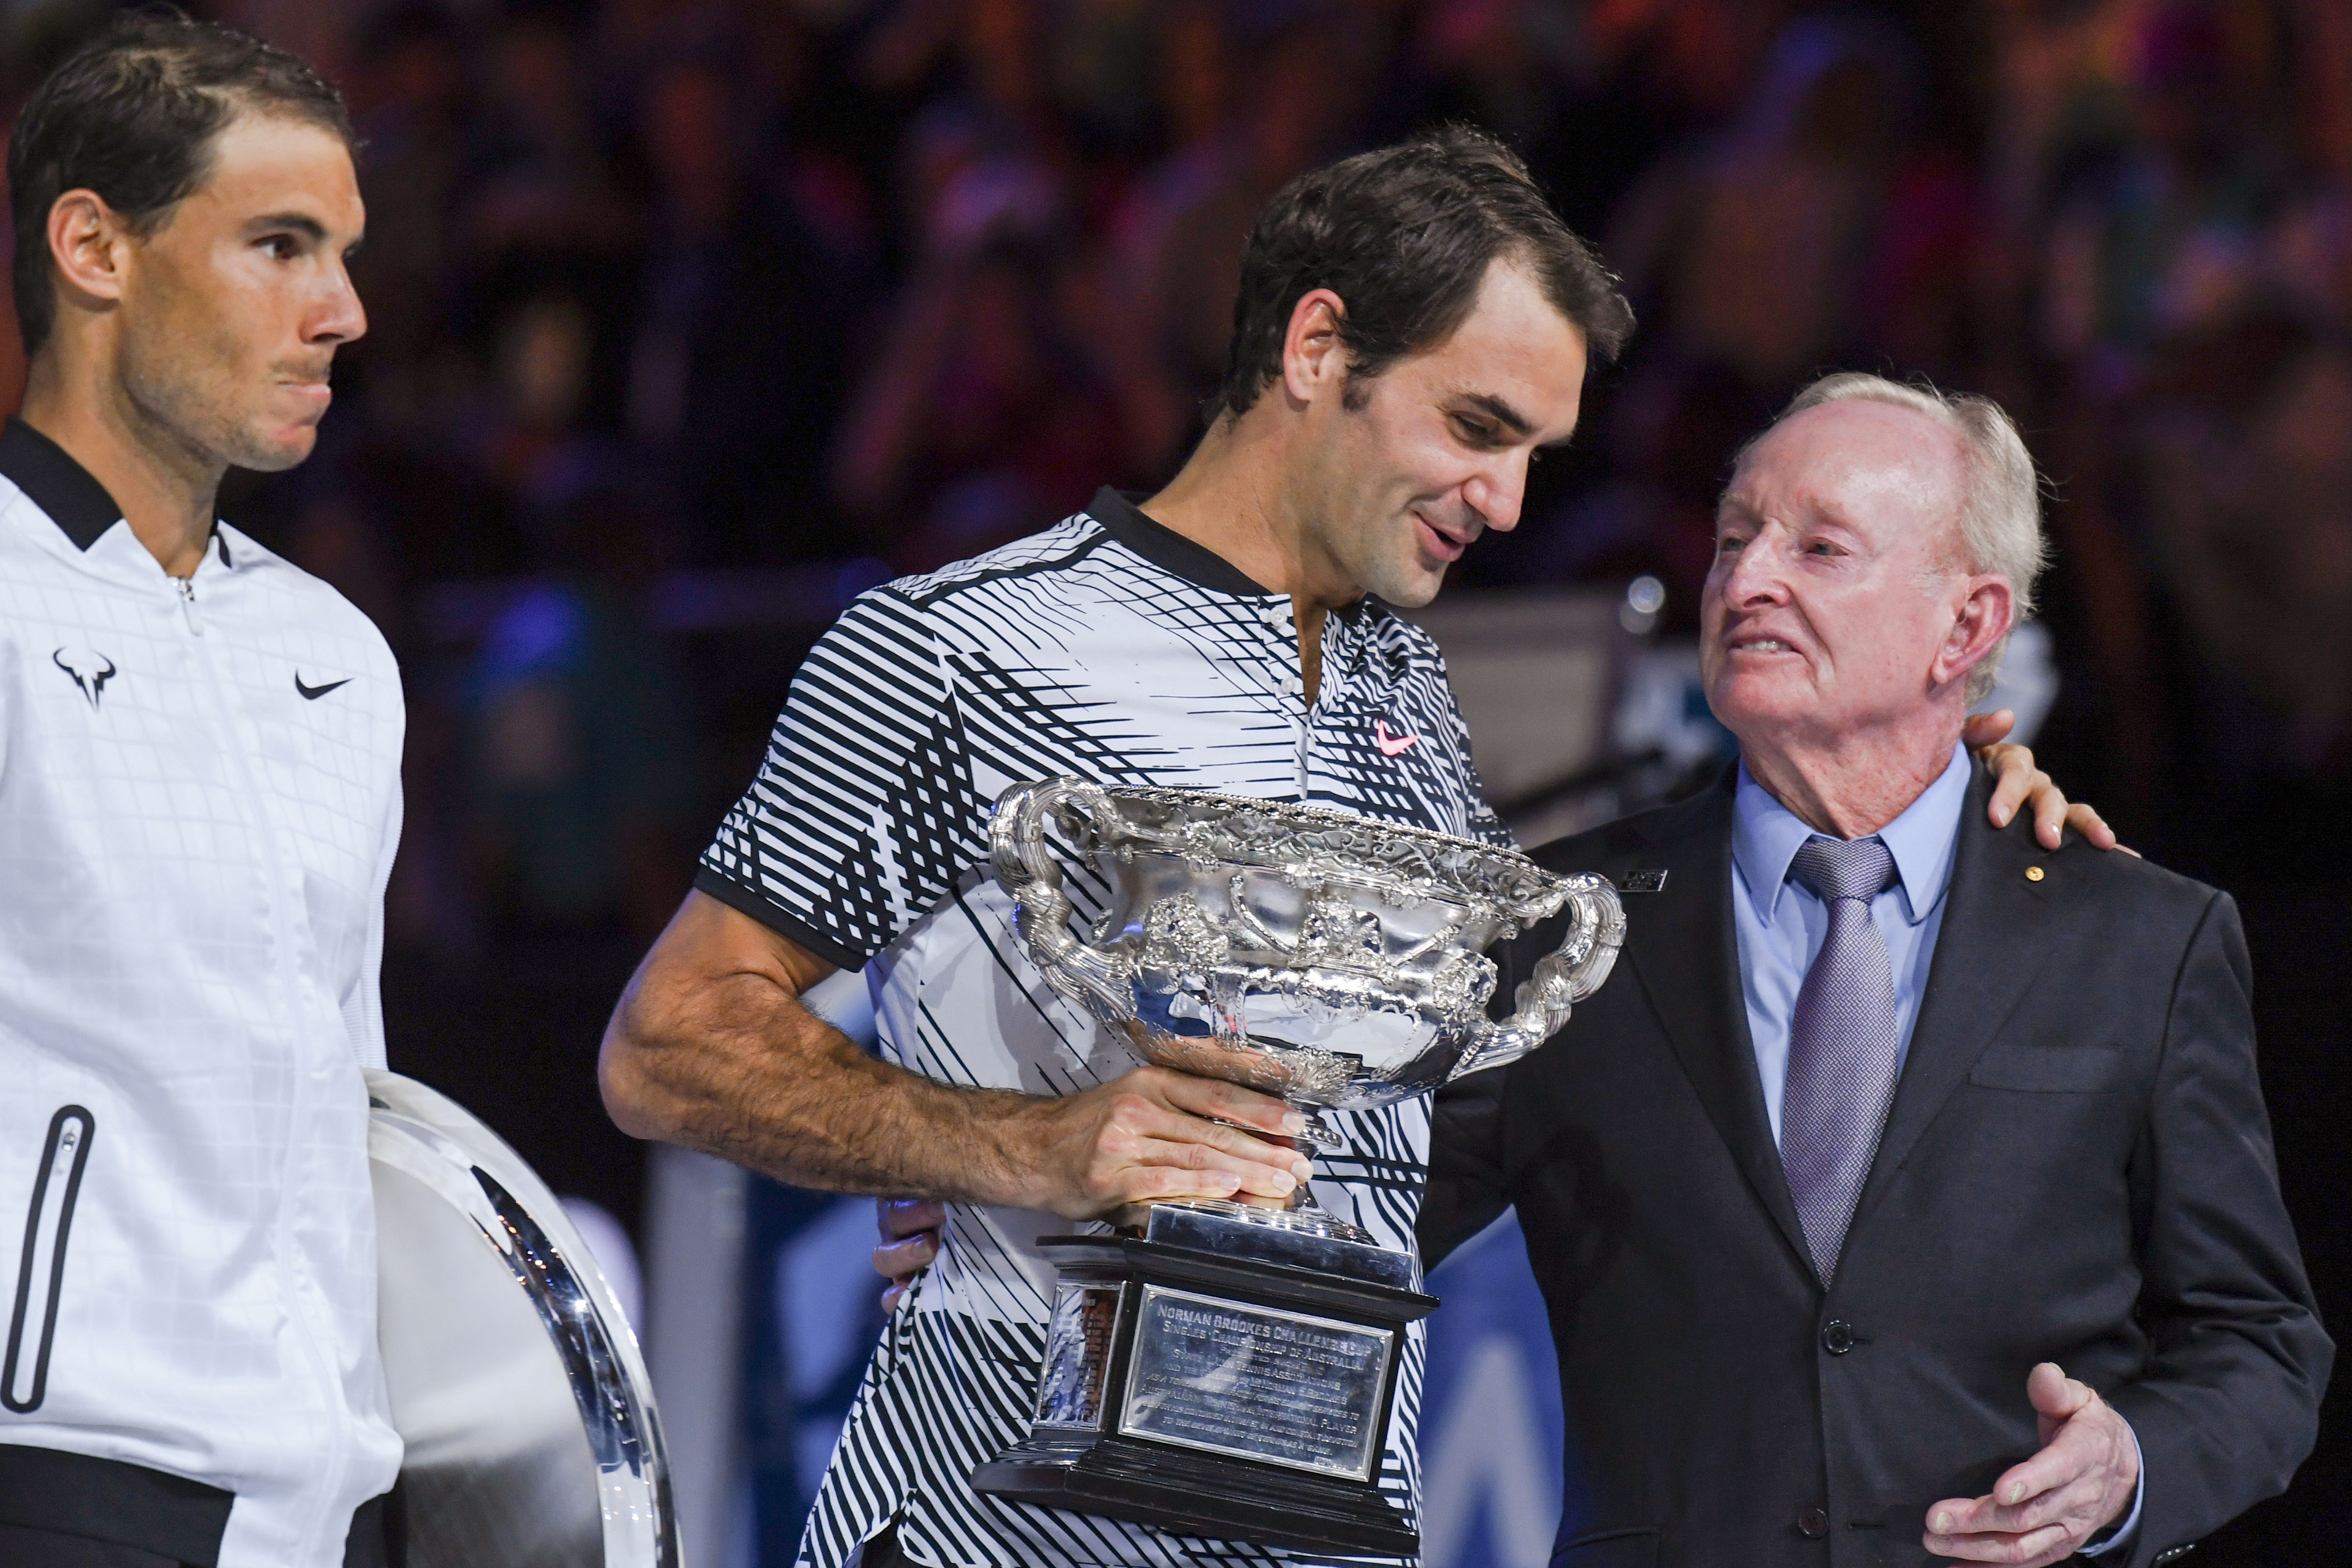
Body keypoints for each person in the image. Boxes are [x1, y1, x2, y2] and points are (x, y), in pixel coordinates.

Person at [607, 129, 2103, 1568]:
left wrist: (1906, 800)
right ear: (1316, 348)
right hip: (987, 1535)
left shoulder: (1408, 695)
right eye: (1476, 429)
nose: (1506, 502)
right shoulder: (961, 647)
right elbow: (668, 1040)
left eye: (1533, 454)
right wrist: (1012, 1146)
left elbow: (1538, 1062)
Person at [1416, 374, 2331, 1568]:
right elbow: (1363, 1212)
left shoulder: (2141, 942)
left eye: (1820, 547)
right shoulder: (1557, 924)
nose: (1746, 579)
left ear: (1968, 626)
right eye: (1733, 537)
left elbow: (2258, 1344)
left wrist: (2129, 1468)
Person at [0, 13, 403, 1568]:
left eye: (342, 255)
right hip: (58, 1472)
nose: (342, 312)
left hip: (327, 1495)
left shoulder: (337, 655)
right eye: (280, 245)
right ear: (95, 249)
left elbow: (352, 1091)